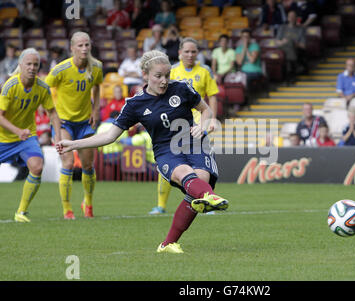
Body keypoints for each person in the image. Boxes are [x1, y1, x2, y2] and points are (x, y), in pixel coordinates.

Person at [56, 50, 229, 254]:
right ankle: (211, 196)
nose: (164, 81)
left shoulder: (181, 89)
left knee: (199, 185)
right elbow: (109, 136)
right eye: (158, 76)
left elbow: (206, 109)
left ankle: (168, 244)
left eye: (167, 75)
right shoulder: (135, 104)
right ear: (145, 75)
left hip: (194, 143)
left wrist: (203, 124)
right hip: (166, 151)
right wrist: (74, 144)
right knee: (188, 178)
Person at [151, 37, 219, 215]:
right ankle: (161, 205)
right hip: (174, 126)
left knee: (202, 166)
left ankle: (204, 198)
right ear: (180, 52)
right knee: (170, 165)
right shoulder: (171, 71)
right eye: (186, 51)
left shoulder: (205, 71)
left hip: (198, 126)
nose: (190, 54)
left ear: (198, 53)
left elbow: (212, 96)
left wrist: (211, 121)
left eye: (193, 51)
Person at [45, 32, 103, 220]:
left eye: (87, 45)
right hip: (64, 123)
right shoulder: (60, 70)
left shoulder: (96, 67)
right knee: (68, 163)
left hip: (85, 123)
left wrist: (95, 111)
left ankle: (88, 202)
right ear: (72, 48)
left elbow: (97, 86)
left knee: (87, 165)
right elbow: (43, 90)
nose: (84, 48)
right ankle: (67, 210)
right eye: (80, 45)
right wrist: (51, 114)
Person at [0, 48, 62, 222]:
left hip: (26, 138)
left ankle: (21, 212)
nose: (32, 67)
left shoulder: (42, 87)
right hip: (4, 137)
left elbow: (53, 113)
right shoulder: (10, 85)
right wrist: (18, 131)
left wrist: (58, 136)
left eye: (36, 64)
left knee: (37, 166)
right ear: (20, 65)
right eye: (29, 64)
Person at [276, 9, 307, 77]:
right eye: (290, 17)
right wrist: (283, 42)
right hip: (283, 47)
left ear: (296, 18)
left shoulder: (300, 29)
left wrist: (294, 44)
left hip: (295, 48)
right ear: (288, 18)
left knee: (290, 42)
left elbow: (304, 46)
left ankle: (289, 72)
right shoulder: (282, 28)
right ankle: (296, 64)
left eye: (293, 16)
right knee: (289, 42)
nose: (292, 18)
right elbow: (277, 42)